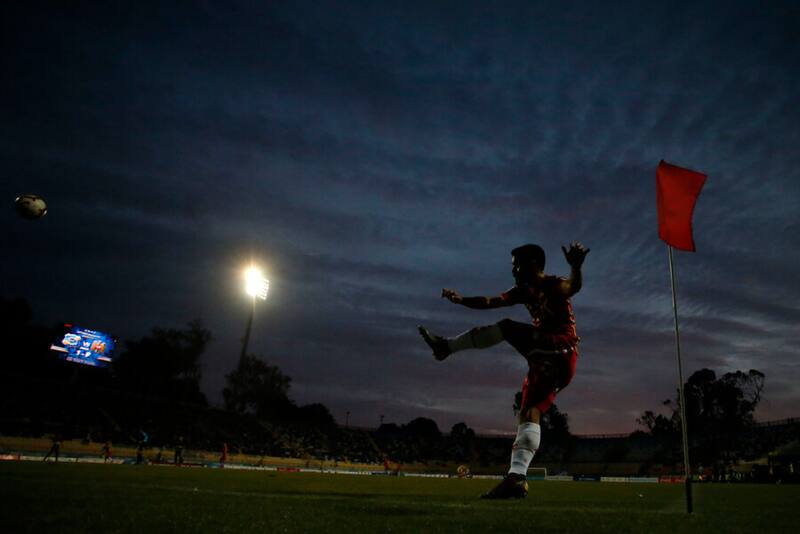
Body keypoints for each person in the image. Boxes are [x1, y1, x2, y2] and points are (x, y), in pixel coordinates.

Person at [418, 242, 589, 499]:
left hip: (560, 348)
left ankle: (446, 348)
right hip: (545, 359)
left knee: (508, 327)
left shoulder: (553, 284)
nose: (514, 271)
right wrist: (461, 300)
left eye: (516, 265)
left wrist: (575, 266)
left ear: (533, 263)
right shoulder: (523, 291)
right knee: (528, 411)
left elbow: (572, 286)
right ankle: (516, 478)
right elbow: (491, 301)